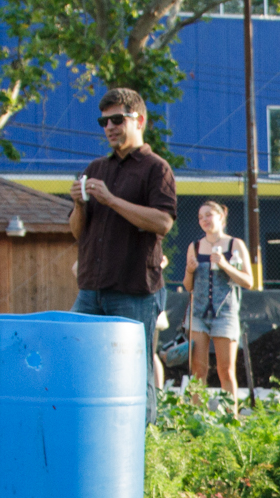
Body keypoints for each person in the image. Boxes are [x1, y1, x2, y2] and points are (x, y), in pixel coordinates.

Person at [70, 87, 177, 419]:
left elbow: (162, 222)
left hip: (133, 291)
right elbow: (77, 231)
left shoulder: (156, 168)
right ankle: (90, 433)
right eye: (104, 121)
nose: (109, 127)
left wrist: (112, 201)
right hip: (90, 289)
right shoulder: (95, 168)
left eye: (117, 119)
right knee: (79, 365)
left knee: (134, 371)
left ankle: (145, 444)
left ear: (139, 120)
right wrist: (79, 203)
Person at [180, 201, 250, 399]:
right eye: (201, 217)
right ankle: (197, 417)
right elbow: (188, 286)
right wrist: (189, 270)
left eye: (209, 215)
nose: (204, 220)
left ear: (221, 217)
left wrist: (225, 266)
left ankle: (231, 417)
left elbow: (248, 281)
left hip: (225, 313)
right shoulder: (194, 246)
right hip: (198, 314)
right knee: (198, 371)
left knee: (225, 371)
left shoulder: (234, 244)